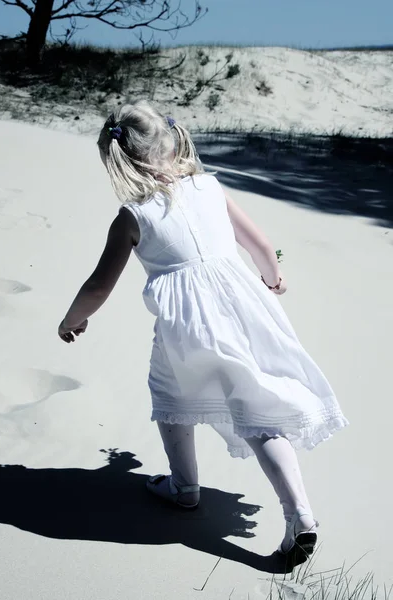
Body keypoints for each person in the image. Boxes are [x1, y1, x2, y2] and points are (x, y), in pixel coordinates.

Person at [58, 100, 348, 560]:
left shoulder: (132, 216)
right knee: (258, 409)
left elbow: (98, 285)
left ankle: (185, 487)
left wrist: (72, 320)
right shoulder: (210, 187)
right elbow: (260, 244)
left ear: (119, 161)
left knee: (172, 396)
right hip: (246, 310)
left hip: (187, 326)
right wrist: (273, 280)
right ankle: (300, 515)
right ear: (174, 143)